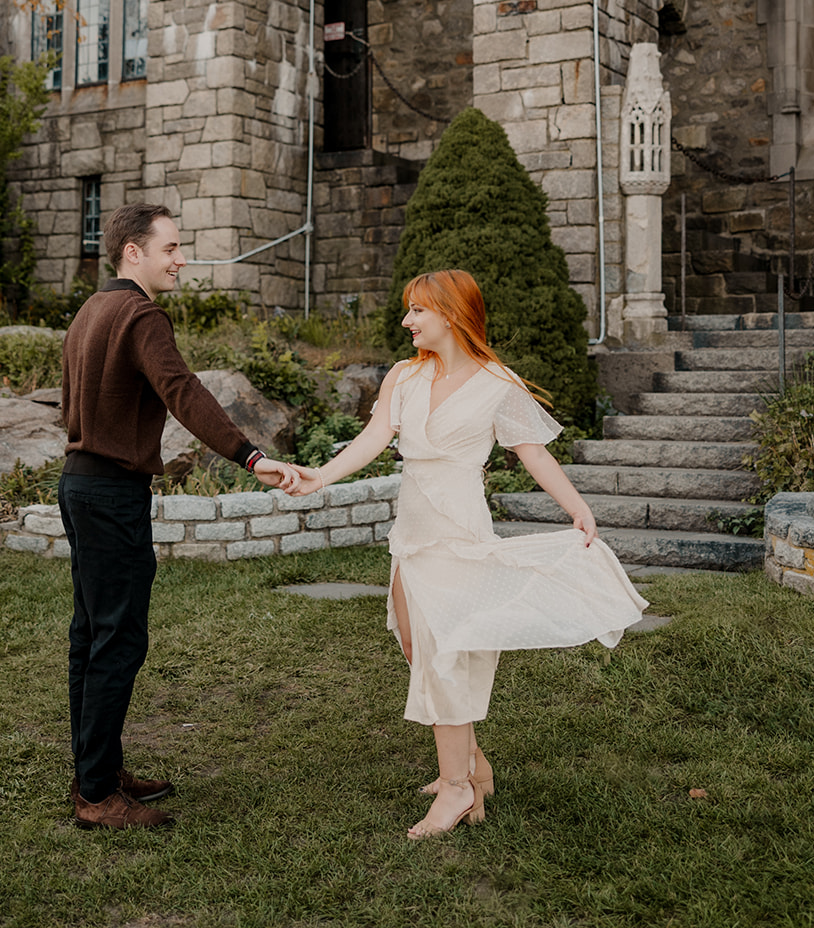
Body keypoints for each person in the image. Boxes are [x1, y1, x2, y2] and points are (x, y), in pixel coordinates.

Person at [290, 268, 647, 840]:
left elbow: (533, 454)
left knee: (447, 654)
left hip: (457, 530)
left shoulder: (497, 383)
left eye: (417, 311)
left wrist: (577, 507)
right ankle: (472, 764)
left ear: (451, 315)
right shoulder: (404, 377)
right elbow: (373, 438)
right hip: (412, 530)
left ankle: (456, 788)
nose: (406, 320)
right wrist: (320, 478)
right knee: (414, 643)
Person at [58, 202, 307, 831]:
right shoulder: (140, 315)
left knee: (92, 635)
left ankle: (100, 769)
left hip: (78, 485)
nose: (182, 259)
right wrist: (250, 455)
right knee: (117, 639)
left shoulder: (91, 311)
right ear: (133, 252)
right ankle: (94, 795)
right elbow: (184, 392)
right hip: (111, 494)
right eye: (171, 248)